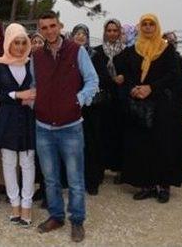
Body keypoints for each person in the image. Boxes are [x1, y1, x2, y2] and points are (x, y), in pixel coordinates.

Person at [31, 13, 98, 243]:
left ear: (60, 26)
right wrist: (35, 102)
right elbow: (33, 85)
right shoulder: (36, 56)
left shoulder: (76, 51)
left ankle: (77, 220)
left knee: (75, 178)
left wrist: (78, 100)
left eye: (52, 26)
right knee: (50, 178)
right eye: (44, 27)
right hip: (43, 127)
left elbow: (92, 80)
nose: (49, 31)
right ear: (40, 30)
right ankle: (56, 216)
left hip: (71, 126)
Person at [120, 14, 182, 204]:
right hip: (139, 103)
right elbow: (127, 73)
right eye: (145, 24)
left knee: (163, 143)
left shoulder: (166, 50)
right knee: (142, 144)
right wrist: (134, 88)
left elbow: (174, 74)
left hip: (161, 104)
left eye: (151, 24)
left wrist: (151, 88)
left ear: (156, 27)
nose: (148, 28)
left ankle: (163, 185)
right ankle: (146, 184)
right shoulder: (133, 50)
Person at [0, 23, 36, 227]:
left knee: (28, 163)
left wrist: (32, 97)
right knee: (9, 163)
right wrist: (18, 95)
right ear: (8, 43)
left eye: (23, 42)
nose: (19, 47)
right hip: (6, 118)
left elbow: (38, 87)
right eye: (15, 42)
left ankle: (27, 205)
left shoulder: (32, 63)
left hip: (27, 118)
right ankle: (14, 204)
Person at [70, 24, 104, 196]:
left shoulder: (95, 56)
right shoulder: (68, 55)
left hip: (91, 107)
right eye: (77, 34)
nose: (81, 37)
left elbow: (100, 79)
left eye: (84, 34)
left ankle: (92, 180)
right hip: (72, 106)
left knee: (91, 143)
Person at [92, 19, 127, 183]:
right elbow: (94, 74)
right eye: (109, 30)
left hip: (121, 99)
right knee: (102, 134)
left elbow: (131, 71)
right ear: (105, 32)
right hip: (103, 99)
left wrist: (123, 77)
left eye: (115, 30)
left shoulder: (127, 52)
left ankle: (120, 168)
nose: (112, 33)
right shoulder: (97, 52)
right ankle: (101, 167)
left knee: (121, 133)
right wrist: (111, 79)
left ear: (119, 32)